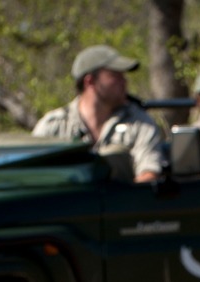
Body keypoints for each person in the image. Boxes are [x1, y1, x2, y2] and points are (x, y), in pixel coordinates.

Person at [32, 45, 165, 182]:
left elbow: (149, 174)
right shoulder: (53, 126)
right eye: (115, 76)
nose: (124, 81)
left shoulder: (139, 122)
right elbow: (32, 177)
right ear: (90, 81)